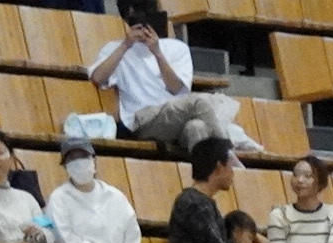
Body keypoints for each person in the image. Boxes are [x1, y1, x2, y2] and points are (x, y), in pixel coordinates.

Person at [90, 0, 236, 158]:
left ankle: (211, 171)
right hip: (143, 119)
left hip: (176, 113)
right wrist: (126, 45)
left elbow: (176, 88)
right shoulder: (114, 48)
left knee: (196, 127)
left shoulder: (177, 48)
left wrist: (157, 53)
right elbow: (98, 77)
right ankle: (228, 155)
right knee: (200, 101)